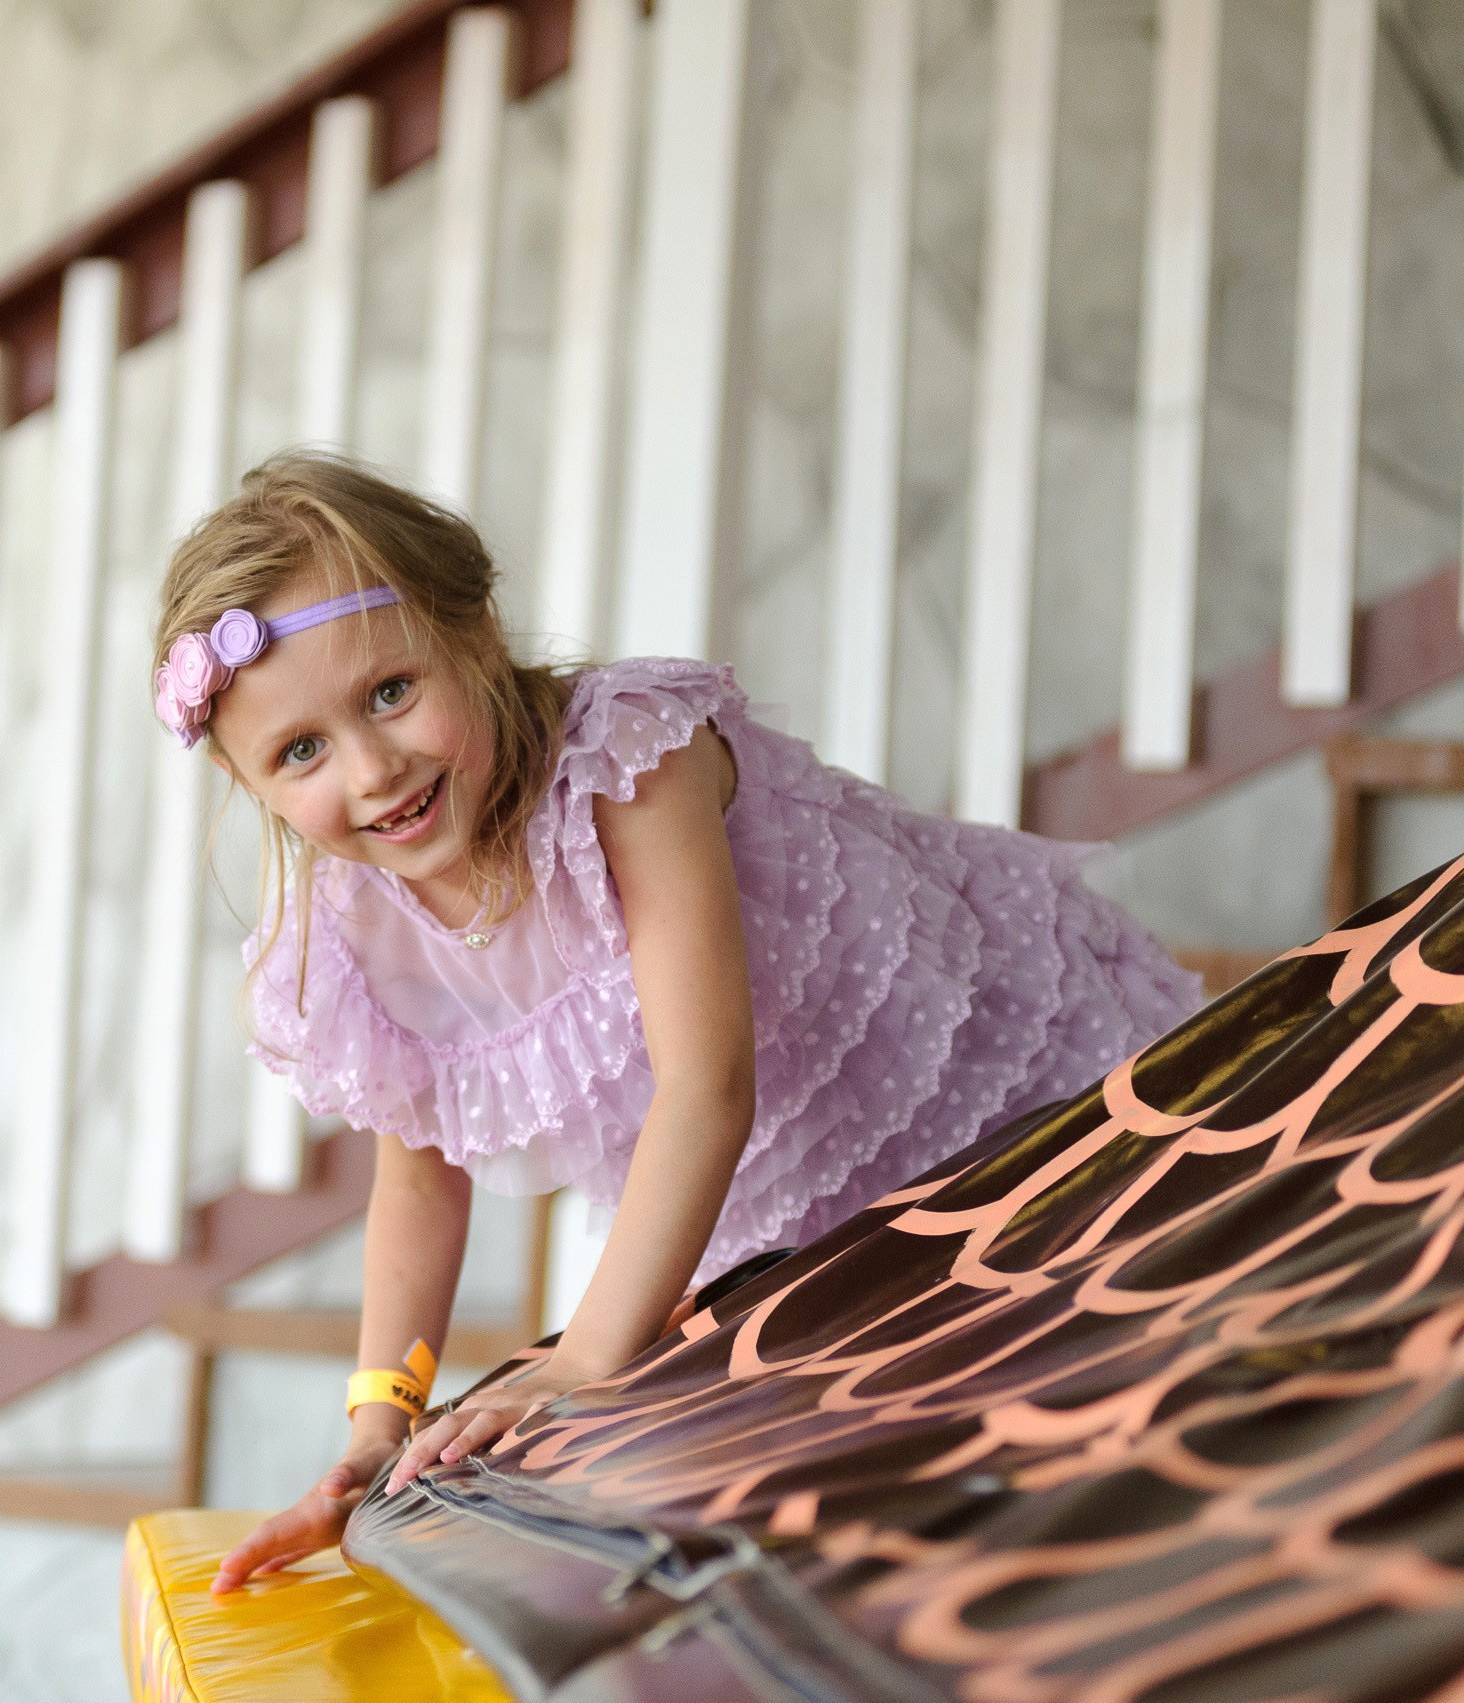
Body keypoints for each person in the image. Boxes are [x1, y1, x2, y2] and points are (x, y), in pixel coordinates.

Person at [153, 453, 1200, 1595]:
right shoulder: (356, 930)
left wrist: (585, 1357)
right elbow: (418, 1186)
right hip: (795, 1208)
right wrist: (378, 1420)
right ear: (252, 786)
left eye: (391, 692)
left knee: (1140, 1366)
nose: (371, 768)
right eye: (300, 751)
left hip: (996, 1087)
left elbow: (707, 1085)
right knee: (967, 1487)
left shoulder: (626, 763)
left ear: (474, 630)